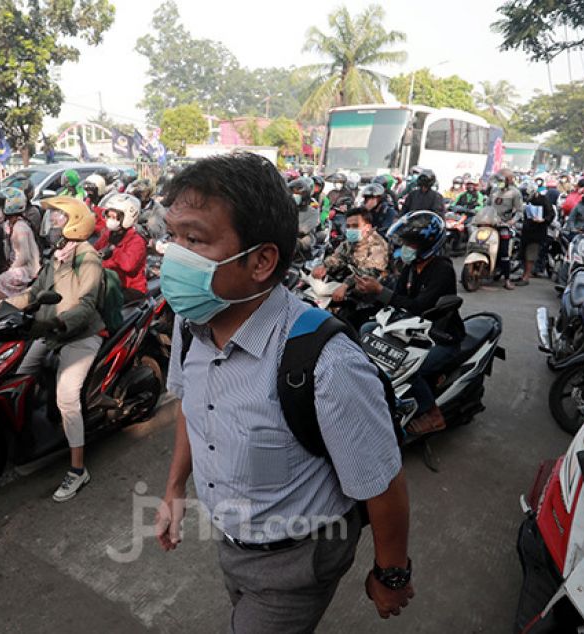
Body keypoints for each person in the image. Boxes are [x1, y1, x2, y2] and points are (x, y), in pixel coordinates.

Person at [154, 153, 412, 632]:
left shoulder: (327, 363)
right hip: (232, 542)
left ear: (261, 261)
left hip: (299, 560)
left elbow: (383, 482)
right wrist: (174, 490)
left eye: (193, 240)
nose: (173, 256)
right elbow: (194, 406)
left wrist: (391, 574)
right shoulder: (192, 325)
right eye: (172, 237)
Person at [5, 197, 105, 502]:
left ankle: (77, 470)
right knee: (20, 375)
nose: (54, 223)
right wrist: (2, 306)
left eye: (60, 218)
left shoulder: (88, 258)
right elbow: (36, 293)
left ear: (76, 221)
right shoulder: (60, 252)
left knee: (67, 399)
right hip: (49, 332)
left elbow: (86, 307)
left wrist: (61, 325)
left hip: (79, 335)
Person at [353, 211, 465, 435]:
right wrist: (370, 291)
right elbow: (397, 299)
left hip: (439, 338)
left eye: (410, 243)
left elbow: (419, 307)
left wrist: (380, 291)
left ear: (427, 244)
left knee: (408, 366)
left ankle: (433, 414)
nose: (405, 247)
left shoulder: (442, 270)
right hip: (408, 330)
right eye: (405, 242)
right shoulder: (411, 267)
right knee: (366, 331)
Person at [312, 206, 391, 307]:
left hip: (366, 293)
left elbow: (369, 273)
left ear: (367, 227)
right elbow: (338, 256)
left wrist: (345, 285)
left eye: (355, 226)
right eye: (348, 226)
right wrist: (324, 266)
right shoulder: (350, 242)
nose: (350, 230)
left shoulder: (378, 245)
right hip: (345, 284)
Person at [0, 188, 41, 300]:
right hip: (16, 265)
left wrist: (11, 269)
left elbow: (24, 256)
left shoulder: (21, 227)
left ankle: (9, 308)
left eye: (1, 206)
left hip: (27, 268)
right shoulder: (8, 224)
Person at [94, 192, 147, 301]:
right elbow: (94, 249)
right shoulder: (108, 234)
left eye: (115, 217)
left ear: (127, 217)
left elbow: (128, 265)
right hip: (108, 281)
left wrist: (114, 251)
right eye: (109, 216)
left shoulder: (136, 241)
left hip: (130, 288)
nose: (110, 220)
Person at [488, 170, 523, 289]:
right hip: (490, 223)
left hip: (504, 225)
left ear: (509, 180)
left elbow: (519, 212)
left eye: (502, 180)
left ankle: (507, 280)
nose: (499, 182)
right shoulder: (494, 191)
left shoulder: (515, 193)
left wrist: (511, 222)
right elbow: (487, 206)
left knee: (504, 252)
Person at [515, 181, 555, 286]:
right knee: (523, 254)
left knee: (530, 255)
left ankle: (526, 277)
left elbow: (551, 214)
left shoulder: (543, 200)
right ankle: (523, 275)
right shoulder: (526, 201)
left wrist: (543, 220)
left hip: (537, 231)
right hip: (526, 230)